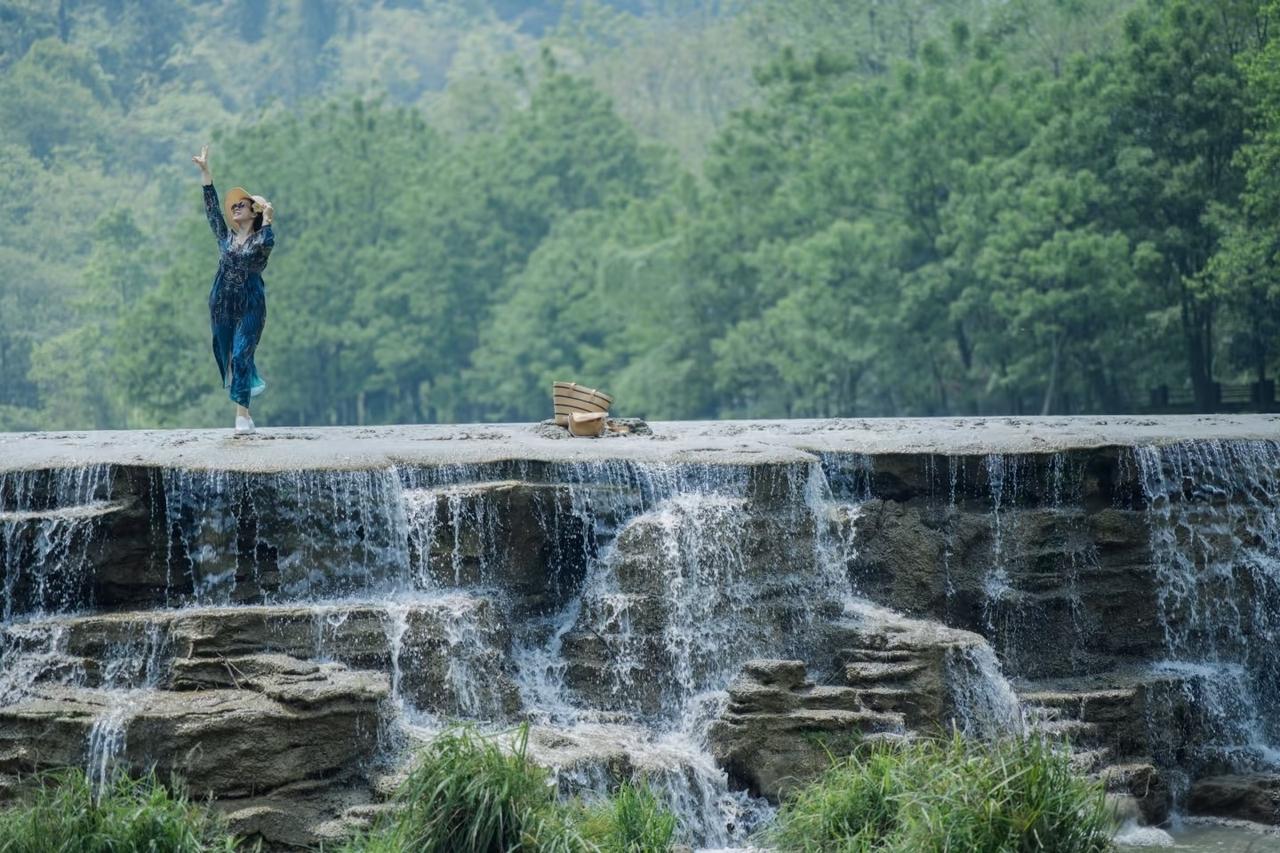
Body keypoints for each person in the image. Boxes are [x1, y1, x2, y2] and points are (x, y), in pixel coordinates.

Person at [191, 143, 275, 435]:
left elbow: (266, 244)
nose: (236, 207)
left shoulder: (260, 240)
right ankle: (246, 404)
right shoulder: (225, 239)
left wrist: (269, 220)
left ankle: (242, 415)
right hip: (223, 304)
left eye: (243, 205)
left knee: (241, 354)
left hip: (251, 304)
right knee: (228, 354)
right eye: (235, 205)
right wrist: (206, 173)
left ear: (254, 214)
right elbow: (212, 211)